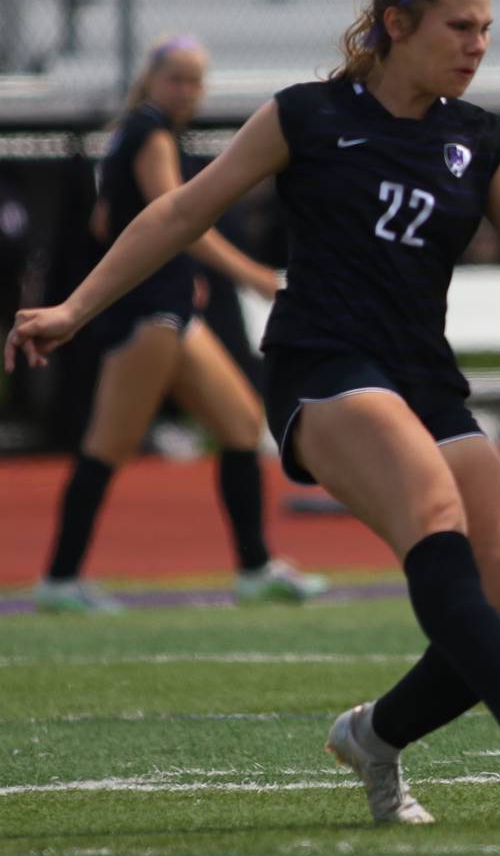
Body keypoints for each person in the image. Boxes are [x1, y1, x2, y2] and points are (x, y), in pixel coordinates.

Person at [7, 0, 500, 823]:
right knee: (431, 507)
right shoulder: (307, 116)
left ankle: (374, 737)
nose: (477, 45)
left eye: (486, 29)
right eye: (459, 26)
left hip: (422, 375)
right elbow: (183, 210)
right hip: (324, 366)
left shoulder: (482, 139)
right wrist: (72, 308)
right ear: (396, 26)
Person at [32, 36, 327, 613]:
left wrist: (171, 269)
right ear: (153, 79)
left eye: (197, 81)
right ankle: (60, 579)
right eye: (179, 79)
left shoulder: (130, 135)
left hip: (168, 305)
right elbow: (178, 218)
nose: (189, 92)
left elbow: (104, 220)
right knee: (108, 444)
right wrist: (254, 276)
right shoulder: (152, 134)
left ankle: (253, 568)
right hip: (150, 312)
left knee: (241, 423)